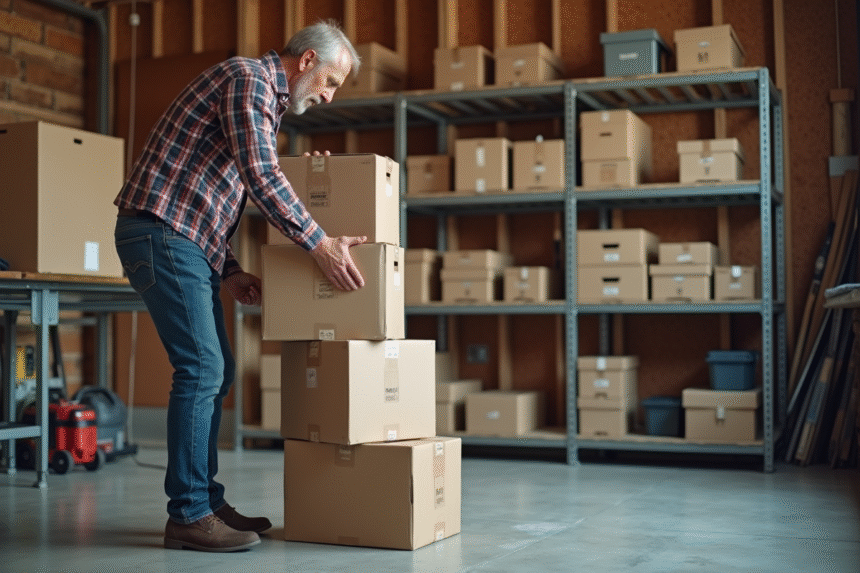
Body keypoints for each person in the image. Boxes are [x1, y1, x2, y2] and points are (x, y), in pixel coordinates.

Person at [113, 20, 365, 553]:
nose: (326, 96)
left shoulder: (261, 102)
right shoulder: (248, 79)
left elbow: (211, 193)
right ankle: (188, 514)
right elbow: (261, 176)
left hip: (183, 234)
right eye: (329, 82)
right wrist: (319, 245)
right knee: (201, 367)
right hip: (161, 232)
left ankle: (205, 499)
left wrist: (229, 271)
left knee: (216, 367)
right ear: (305, 62)